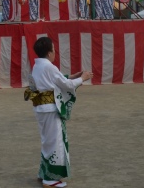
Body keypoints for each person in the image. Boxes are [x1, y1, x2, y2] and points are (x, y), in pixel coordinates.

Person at [25, 37, 92, 187]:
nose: (55, 52)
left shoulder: (37, 66)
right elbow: (66, 85)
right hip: (50, 108)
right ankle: (51, 178)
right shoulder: (49, 67)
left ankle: (44, 173)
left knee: (47, 141)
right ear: (49, 53)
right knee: (56, 142)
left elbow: (55, 80)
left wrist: (73, 76)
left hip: (41, 108)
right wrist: (82, 78)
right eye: (54, 50)